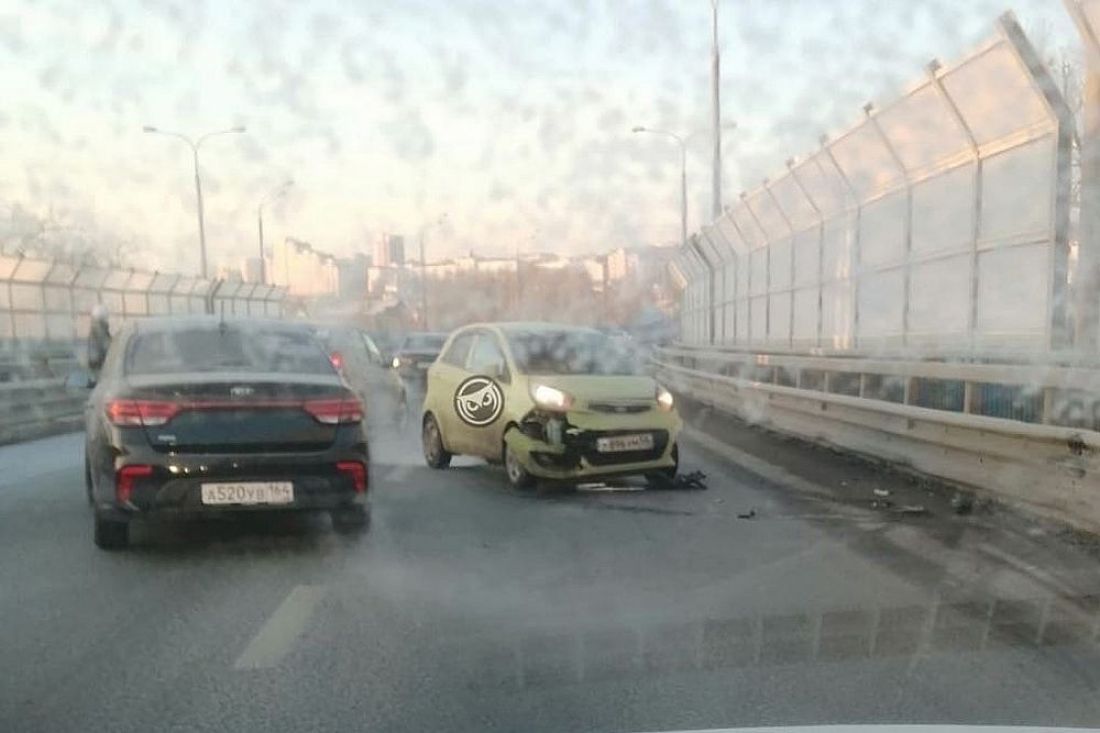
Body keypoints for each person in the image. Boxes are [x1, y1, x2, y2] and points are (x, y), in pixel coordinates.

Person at [87, 304, 112, 371]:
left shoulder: (95, 331)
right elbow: (107, 346)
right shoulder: (99, 331)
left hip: (97, 364)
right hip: (99, 365)